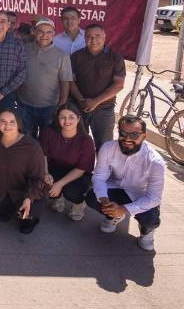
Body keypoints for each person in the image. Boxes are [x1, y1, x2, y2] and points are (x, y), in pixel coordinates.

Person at [86, 116, 164, 251]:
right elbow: (99, 177)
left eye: (134, 134)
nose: (127, 139)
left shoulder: (155, 162)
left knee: (150, 218)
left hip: (139, 195)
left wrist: (124, 209)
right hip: (116, 188)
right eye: (123, 133)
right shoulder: (108, 147)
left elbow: (154, 198)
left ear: (144, 136)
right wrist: (105, 201)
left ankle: (147, 232)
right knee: (92, 197)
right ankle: (111, 216)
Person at [0, 109, 46, 234]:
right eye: (3, 121)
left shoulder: (32, 147)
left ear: (19, 124)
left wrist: (29, 198)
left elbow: (37, 178)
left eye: (12, 122)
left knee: (28, 214)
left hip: (24, 191)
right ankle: (8, 207)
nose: (7, 126)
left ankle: (29, 217)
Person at [69, 24, 125, 150]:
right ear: (84, 38)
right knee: (78, 145)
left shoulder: (115, 57)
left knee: (104, 147)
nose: (93, 40)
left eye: (97, 36)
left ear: (104, 36)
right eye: (89, 37)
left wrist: (95, 102)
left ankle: (102, 170)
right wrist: (81, 101)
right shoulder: (76, 57)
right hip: (79, 107)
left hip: (104, 109)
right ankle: (83, 170)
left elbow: (119, 85)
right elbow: (70, 81)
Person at [39, 103, 95, 221]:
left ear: (78, 119)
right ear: (57, 119)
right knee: (46, 183)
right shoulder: (49, 132)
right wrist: (45, 173)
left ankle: (78, 204)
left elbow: (81, 169)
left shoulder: (86, 141)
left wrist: (59, 184)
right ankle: (58, 198)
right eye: (62, 117)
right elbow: (42, 154)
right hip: (56, 167)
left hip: (77, 173)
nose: (66, 121)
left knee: (72, 191)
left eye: (71, 117)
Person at [17, 18, 73, 137]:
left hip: (49, 107)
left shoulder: (61, 56)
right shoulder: (24, 49)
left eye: (49, 32)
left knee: (47, 139)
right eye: (41, 31)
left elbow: (65, 82)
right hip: (25, 104)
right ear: (34, 32)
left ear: (54, 34)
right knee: (27, 138)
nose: (44, 35)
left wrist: (61, 104)